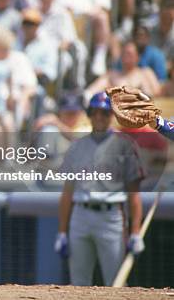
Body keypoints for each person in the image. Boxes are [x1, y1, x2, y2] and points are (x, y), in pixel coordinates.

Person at [54, 92, 145, 286]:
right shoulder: (76, 147)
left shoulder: (124, 146)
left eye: (104, 113)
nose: (99, 117)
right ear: (89, 115)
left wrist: (135, 232)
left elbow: (134, 192)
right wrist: (62, 231)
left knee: (116, 283)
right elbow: (67, 193)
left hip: (110, 216)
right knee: (78, 283)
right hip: (80, 214)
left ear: (111, 116)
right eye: (95, 113)